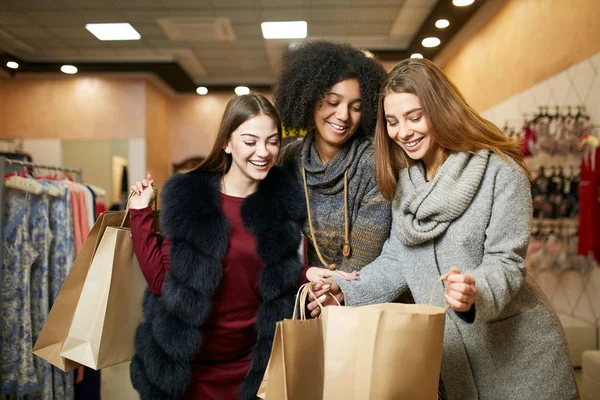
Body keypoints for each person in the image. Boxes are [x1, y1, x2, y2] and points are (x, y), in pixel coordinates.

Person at [308, 59, 579, 399]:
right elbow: (395, 262)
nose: (403, 132)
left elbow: (507, 263)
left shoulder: (500, 173)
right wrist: (343, 291)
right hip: (454, 367)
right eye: (392, 122)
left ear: (441, 110)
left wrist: (474, 290)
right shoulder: (406, 185)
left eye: (414, 116)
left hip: (520, 362)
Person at [127, 94, 308, 400]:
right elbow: (162, 282)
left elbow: (281, 277)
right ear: (227, 142)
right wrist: (140, 214)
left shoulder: (281, 203)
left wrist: (312, 275)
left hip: (253, 365)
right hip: (191, 367)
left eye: (272, 141)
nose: (263, 152)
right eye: (250, 141)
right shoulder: (193, 197)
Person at [276, 41, 394, 279]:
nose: (343, 116)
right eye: (332, 102)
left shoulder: (373, 164)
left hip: (354, 298)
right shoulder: (288, 160)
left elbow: (361, 261)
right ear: (309, 100)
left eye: (356, 107)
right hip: (300, 291)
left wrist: (332, 291)